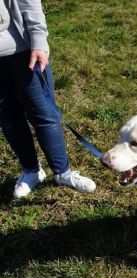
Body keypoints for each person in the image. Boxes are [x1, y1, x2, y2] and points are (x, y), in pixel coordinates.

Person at [0, 0, 96, 198]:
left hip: (22, 50)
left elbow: (29, 3)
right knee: (8, 118)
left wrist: (38, 41)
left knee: (43, 113)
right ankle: (31, 171)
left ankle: (63, 173)